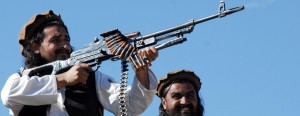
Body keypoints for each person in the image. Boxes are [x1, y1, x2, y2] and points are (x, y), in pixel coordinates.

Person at [1, 10, 159, 116]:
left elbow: (132, 106)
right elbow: (8, 95)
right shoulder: (23, 78)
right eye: (56, 41)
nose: (65, 46)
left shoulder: (92, 78)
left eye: (66, 40)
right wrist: (63, 79)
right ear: (36, 47)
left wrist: (141, 71)